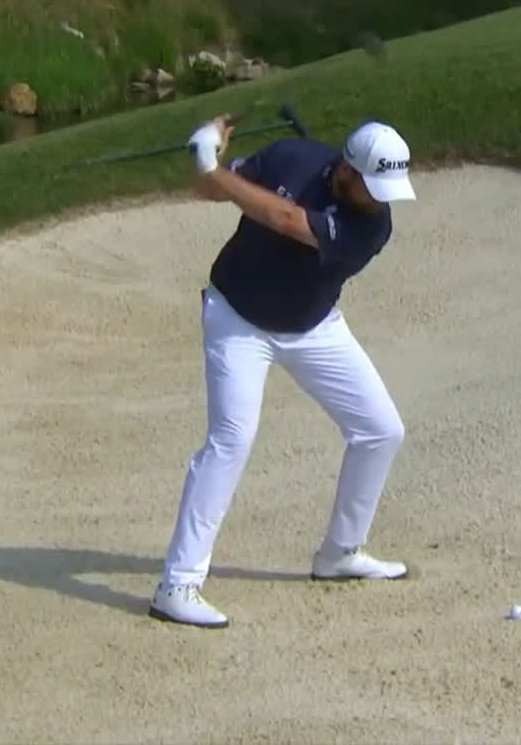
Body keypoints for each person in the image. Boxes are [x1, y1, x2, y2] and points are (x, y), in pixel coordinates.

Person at [149, 112, 418, 629]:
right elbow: (213, 192)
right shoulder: (290, 158)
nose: (384, 198)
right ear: (347, 171)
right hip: (237, 319)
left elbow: (288, 221)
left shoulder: (373, 225)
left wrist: (214, 167)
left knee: (381, 430)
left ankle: (340, 553)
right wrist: (209, 163)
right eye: (376, 186)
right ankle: (177, 585)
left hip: (313, 327)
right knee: (232, 439)